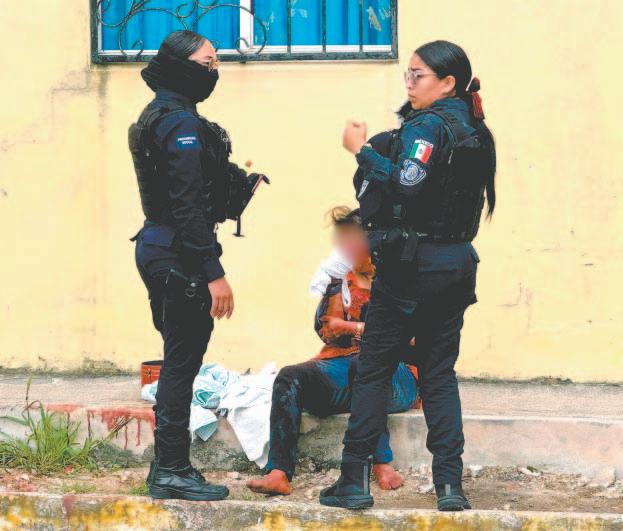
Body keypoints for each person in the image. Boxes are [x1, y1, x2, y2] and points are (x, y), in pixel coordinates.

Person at [319, 40, 496, 511]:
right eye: (408, 74)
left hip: (411, 266)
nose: (409, 83)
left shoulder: (428, 126)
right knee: (438, 374)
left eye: (418, 75)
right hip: (456, 265)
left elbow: (407, 182)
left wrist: (361, 150)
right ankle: (450, 486)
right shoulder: (475, 130)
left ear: (448, 83)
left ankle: (353, 481)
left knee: (373, 370)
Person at [129, 30, 241, 501]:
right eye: (206, 63)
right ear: (179, 66)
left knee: (179, 358)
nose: (214, 72)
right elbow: (187, 207)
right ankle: (172, 469)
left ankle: (167, 467)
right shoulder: (179, 123)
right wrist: (214, 273)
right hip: (178, 253)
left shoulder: (156, 116)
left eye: (217, 63)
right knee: (181, 363)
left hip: (159, 246)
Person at [246, 207, 418, 496]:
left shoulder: (399, 278)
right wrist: (365, 327)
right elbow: (328, 329)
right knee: (290, 377)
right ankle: (279, 472)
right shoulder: (340, 279)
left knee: (365, 366)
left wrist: (357, 328)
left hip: (399, 376)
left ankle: (381, 461)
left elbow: (411, 339)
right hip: (340, 366)